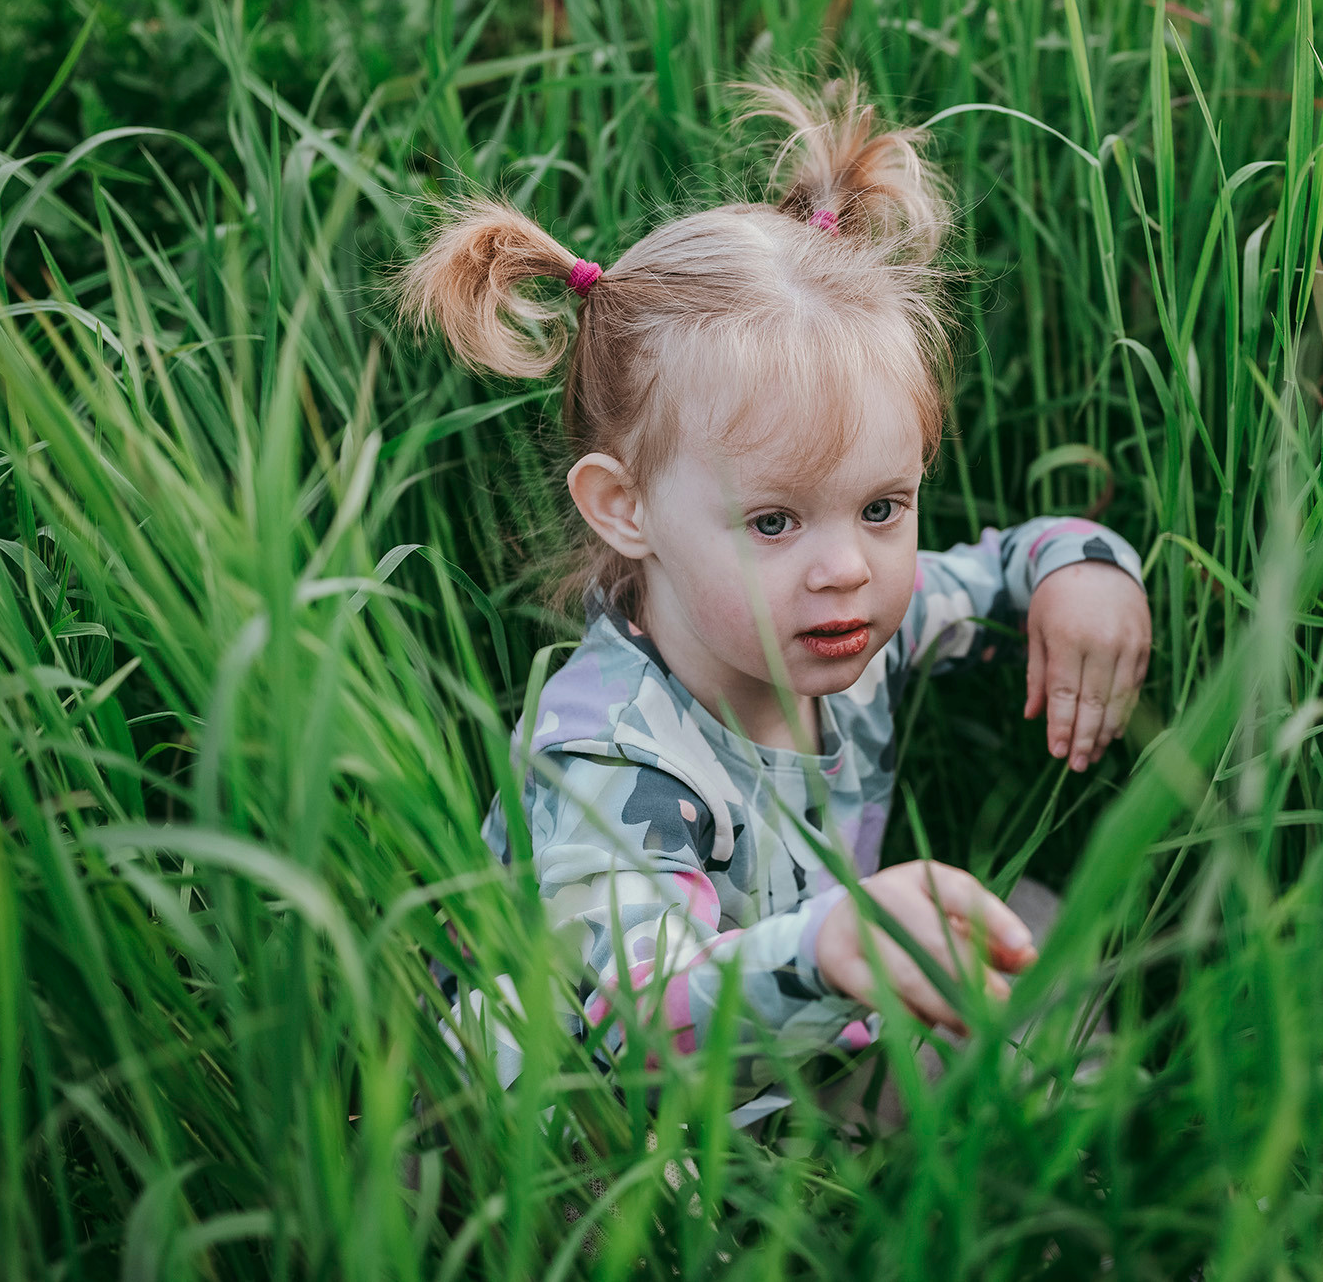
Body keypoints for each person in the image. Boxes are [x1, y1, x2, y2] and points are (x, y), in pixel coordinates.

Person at [396, 75, 1151, 1135]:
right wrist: (830, 946)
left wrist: (1087, 568)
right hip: (599, 1126)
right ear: (627, 509)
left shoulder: (842, 625)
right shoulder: (609, 754)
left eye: (881, 504)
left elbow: (1001, 568)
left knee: (1041, 948)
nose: (846, 566)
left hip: (786, 1028)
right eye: (772, 523)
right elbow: (635, 1021)